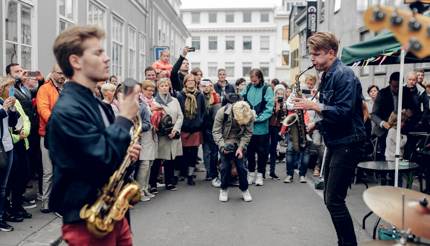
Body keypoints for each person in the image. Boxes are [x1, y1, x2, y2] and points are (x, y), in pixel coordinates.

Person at [47, 25, 141, 245]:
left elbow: (103, 148)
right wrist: (124, 118)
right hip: (87, 220)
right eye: (98, 53)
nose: (107, 58)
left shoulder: (96, 103)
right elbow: (101, 159)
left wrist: (126, 152)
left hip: (112, 213)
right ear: (76, 61)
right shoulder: (67, 109)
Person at [293, 32, 366, 246]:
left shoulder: (344, 75)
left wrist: (313, 105)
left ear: (331, 53)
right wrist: (315, 123)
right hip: (337, 141)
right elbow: (333, 113)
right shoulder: (328, 74)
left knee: (334, 200)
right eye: (311, 55)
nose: (312, 59)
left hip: (348, 142)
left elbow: (343, 112)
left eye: (317, 54)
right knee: (330, 198)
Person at [36, 64, 65, 213]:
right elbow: (43, 109)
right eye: (59, 73)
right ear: (52, 73)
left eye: (64, 74)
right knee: (49, 171)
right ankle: (46, 203)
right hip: (48, 135)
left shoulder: (66, 89)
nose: (62, 76)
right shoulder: (44, 89)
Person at [212, 99, 254, 202]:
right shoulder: (222, 112)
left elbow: (248, 133)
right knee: (225, 167)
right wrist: (222, 147)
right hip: (225, 140)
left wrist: (241, 148)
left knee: (242, 167)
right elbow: (216, 131)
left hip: (240, 141)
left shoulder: (249, 114)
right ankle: (224, 189)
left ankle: (245, 189)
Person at [150, 78, 183, 193]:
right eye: (162, 85)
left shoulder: (175, 100)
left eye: (166, 85)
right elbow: (152, 118)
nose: (165, 87)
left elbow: (180, 116)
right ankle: (152, 184)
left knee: (170, 159)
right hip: (160, 134)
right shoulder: (154, 101)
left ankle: (169, 182)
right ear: (158, 87)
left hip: (172, 132)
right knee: (157, 160)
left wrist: (175, 129)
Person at [241, 68, 274, 186]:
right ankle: (250, 174)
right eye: (251, 80)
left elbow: (269, 108)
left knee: (262, 153)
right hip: (249, 129)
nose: (253, 82)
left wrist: (257, 119)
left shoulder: (267, 89)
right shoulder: (248, 87)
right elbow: (241, 101)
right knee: (249, 152)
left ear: (260, 78)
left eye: (255, 80)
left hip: (262, 129)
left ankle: (260, 175)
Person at [177, 74, 206, 185]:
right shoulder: (180, 95)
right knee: (184, 153)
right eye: (188, 80)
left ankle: (190, 175)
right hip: (184, 128)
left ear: (195, 82)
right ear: (185, 82)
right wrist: (184, 125)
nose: (190, 82)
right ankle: (183, 173)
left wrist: (199, 122)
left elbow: (203, 111)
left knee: (193, 154)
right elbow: (179, 112)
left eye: (192, 80)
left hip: (196, 129)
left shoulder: (200, 95)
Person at [0, 77, 18, 232]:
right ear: (2, 88)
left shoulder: (7, 103)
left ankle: (2, 215)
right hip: (1, 148)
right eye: (10, 87)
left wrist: (12, 109)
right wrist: (4, 109)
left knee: (4, 186)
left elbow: (13, 123)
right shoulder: (1, 103)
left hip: (8, 147)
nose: (12, 90)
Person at [136, 80, 158, 201]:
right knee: (144, 164)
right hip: (143, 136)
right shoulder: (140, 103)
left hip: (151, 135)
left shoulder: (150, 102)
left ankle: (145, 188)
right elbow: (141, 122)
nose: (150, 92)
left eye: (152, 90)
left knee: (149, 163)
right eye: (147, 89)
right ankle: (139, 191)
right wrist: (149, 125)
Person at [200, 79, 221, 185]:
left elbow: (217, 115)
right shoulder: (199, 97)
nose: (206, 88)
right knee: (206, 151)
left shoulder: (216, 97)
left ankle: (213, 173)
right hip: (204, 128)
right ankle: (210, 172)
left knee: (213, 152)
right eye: (203, 86)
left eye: (208, 85)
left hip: (213, 128)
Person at [268, 84, 287, 180]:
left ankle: (272, 172)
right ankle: (262, 172)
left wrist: (281, 107)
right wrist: (275, 106)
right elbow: (270, 114)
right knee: (265, 149)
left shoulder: (284, 104)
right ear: (275, 94)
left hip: (276, 128)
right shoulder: (271, 102)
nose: (279, 95)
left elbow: (283, 118)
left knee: (273, 150)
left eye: (281, 93)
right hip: (268, 127)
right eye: (278, 93)